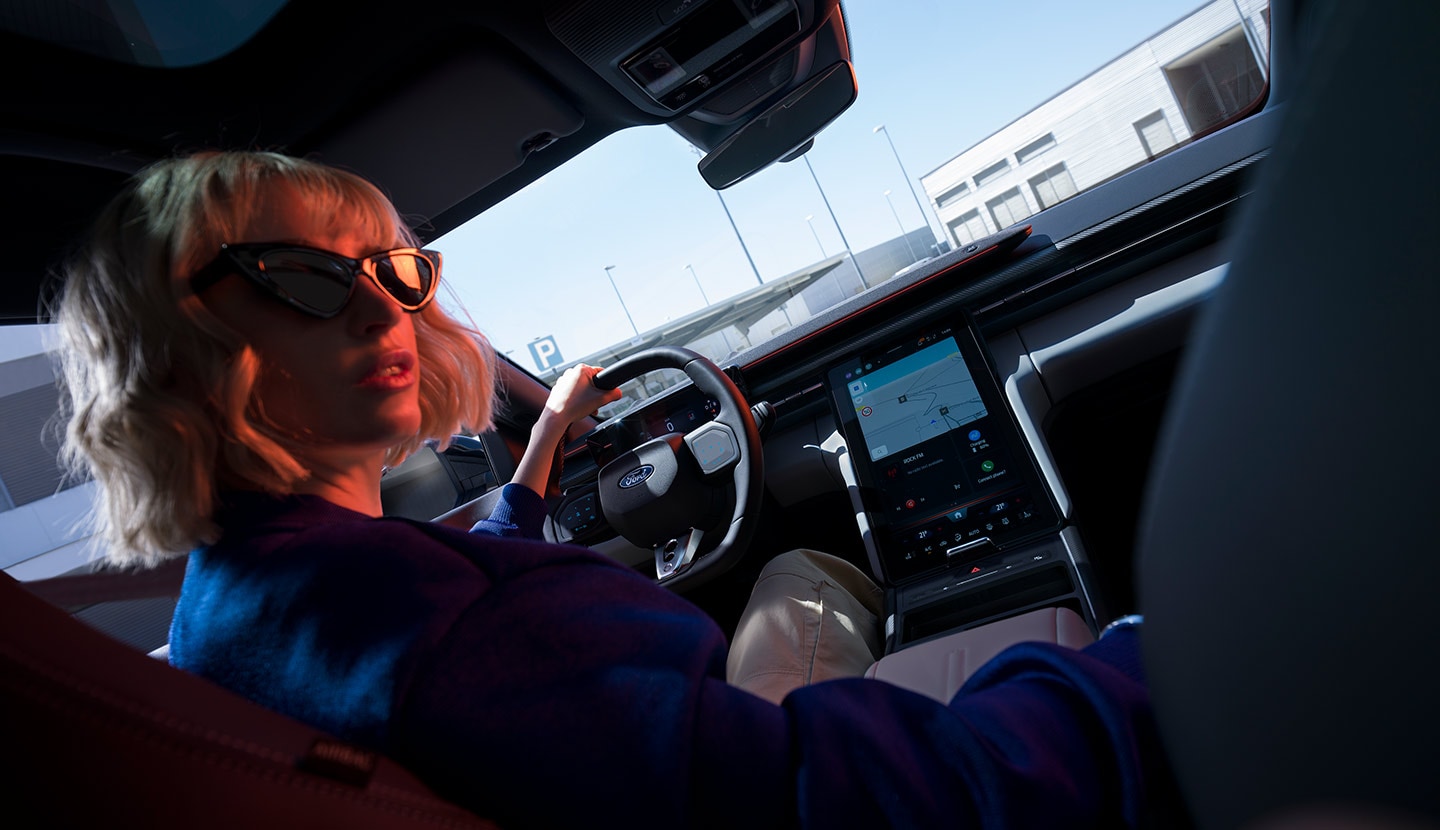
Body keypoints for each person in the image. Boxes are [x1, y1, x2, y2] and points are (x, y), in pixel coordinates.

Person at [55, 150, 1181, 828]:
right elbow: (885, 800)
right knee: (806, 566)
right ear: (170, 344)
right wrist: (1157, 663)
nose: (378, 307)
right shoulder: (439, 621)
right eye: (303, 275)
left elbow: (469, 604)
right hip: (786, 773)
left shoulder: (257, 597)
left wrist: (546, 443)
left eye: (392, 272)